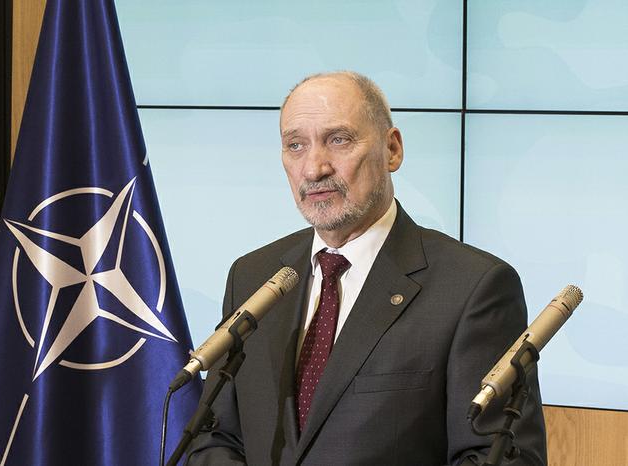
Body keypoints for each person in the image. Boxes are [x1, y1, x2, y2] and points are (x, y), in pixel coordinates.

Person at [185, 72, 547, 465]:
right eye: (295, 145)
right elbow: (214, 437)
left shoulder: (473, 288)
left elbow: (500, 457)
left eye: (338, 140)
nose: (314, 169)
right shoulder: (252, 276)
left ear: (392, 150)